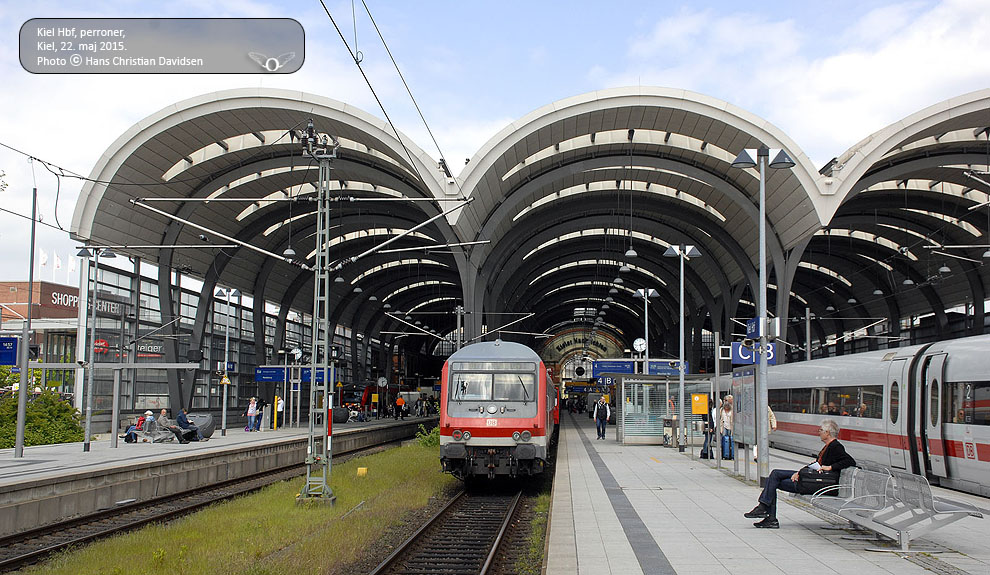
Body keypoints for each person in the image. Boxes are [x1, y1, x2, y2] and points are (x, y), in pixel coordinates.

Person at [744, 418, 856, 528]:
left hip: (817, 484)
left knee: (772, 481)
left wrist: (830, 467)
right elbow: (816, 464)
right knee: (775, 475)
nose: (819, 432)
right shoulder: (828, 446)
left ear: (827, 433)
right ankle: (765, 510)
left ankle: (767, 513)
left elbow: (850, 461)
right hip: (813, 479)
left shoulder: (836, 446)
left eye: (820, 430)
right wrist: (799, 472)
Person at [718, 395, 734, 459]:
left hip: (731, 427)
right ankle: (725, 454)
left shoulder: (732, 410)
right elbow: (720, 419)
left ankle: (731, 454)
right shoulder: (721, 410)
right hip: (724, 426)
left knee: (731, 440)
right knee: (724, 440)